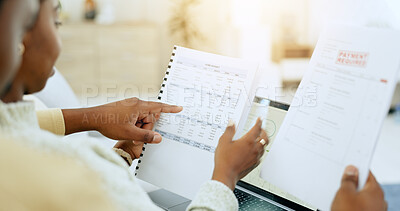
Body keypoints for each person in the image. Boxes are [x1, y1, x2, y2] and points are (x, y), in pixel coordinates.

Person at [0, 0, 387, 210]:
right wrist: (223, 179)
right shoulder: (73, 174)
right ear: (17, 35)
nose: (59, 29)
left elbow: (17, 125)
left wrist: (113, 150)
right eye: (54, 17)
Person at [0, 0, 269, 210]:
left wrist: (122, 152)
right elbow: (85, 185)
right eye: (56, 22)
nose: (59, 37)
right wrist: (225, 177)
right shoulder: (69, 169)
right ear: (18, 33)